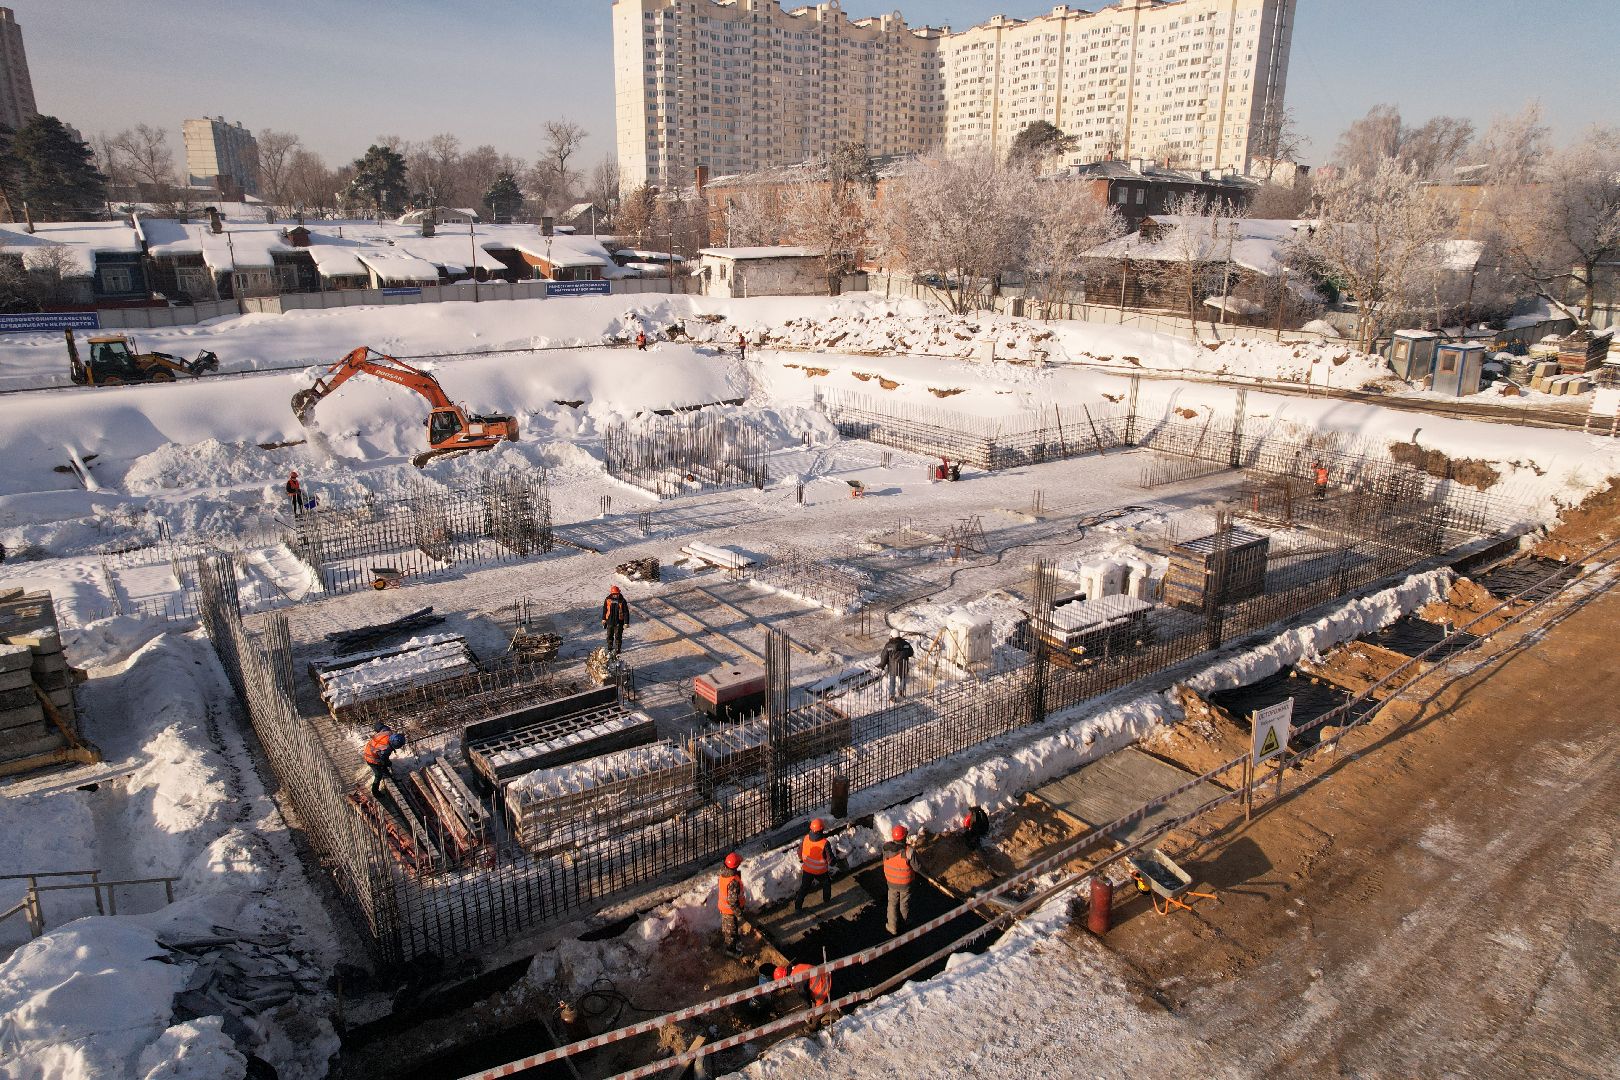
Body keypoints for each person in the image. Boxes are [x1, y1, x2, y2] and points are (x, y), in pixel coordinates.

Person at [883, 824, 918, 935]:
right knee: (904, 904)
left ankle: (892, 927)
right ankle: (906, 923)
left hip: (891, 883)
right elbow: (917, 867)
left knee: (892, 903)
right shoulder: (909, 851)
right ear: (904, 837)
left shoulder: (886, 849)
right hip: (905, 884)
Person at [794, 818, 835, 912]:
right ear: (821, 830)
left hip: (807, 870)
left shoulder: (806, 838)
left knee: (803, 888)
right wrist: (833, 862)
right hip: (820, 872)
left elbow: (799, 851)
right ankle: (827, 900)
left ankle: (798, 907)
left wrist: (802, 859)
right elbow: (830, 859)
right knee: (826, 884)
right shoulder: (824, 843)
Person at [362, 725, 406, 797]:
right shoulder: (385, 749)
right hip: (371, 758)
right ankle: (375, 792)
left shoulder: (387, 731)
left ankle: (390, 777)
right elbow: (383, 761)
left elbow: (378, 725)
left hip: (370, 748)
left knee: (384, 767)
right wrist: (388, 763)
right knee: (378, 774)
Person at [717, 852, 746, 954]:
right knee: (730, 931)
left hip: (725, 908)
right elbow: (732, 902)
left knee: (731, 928)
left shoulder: (723, 873)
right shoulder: (732, 882)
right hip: (729, 911)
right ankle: (731, 950)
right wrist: (739, 914)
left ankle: (734, 940)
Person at [879, 631, 914, 702]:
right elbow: (911, 652)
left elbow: (884, 656)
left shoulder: (889, 645)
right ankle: (901, 691)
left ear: (891, 636)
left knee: (892, 681)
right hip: (903, 665)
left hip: (893, 666)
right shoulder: (905, 644)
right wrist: (904, 654)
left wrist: (882, 665)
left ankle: (892, 696)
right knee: (903, 678)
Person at [602, 585, 629, 656]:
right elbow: (605, 609)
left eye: (616, 594)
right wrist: (603, 619)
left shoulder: (622, 601)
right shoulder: (607, 600)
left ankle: (618, 649)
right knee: (609, 636)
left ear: (619, 593)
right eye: (614, 594)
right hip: (609, 621)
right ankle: (610, 648)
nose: (615, 595)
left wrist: (626, 622)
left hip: (619, 622)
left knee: (618, 636)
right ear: (611, 594)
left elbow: (626, 612)